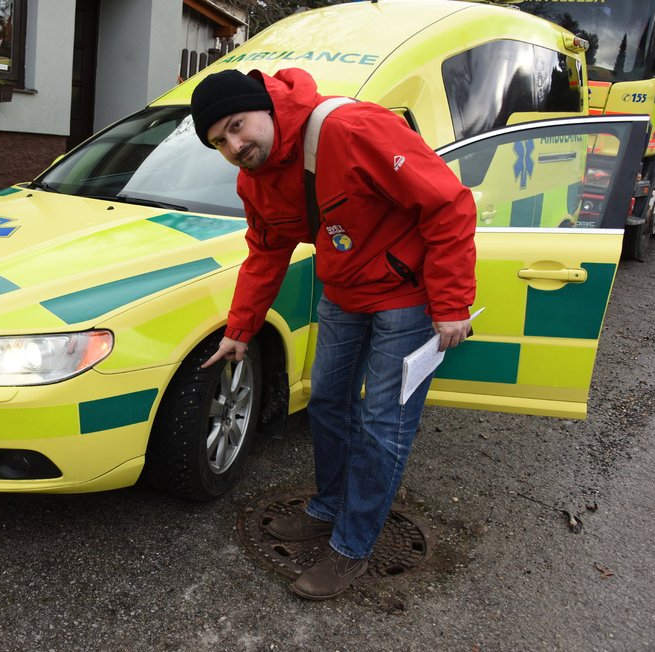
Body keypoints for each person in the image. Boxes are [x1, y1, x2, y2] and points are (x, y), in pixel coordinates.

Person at [191, 68, 476, 600]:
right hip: (344, 294)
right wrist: (240, 329)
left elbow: (449, 203)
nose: (234, 145)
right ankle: (328, 507)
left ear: (265, 107)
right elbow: (266, 250)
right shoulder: (252, 178)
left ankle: (353, 544)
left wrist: (453, 302)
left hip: (407, 298)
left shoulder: (352, 129)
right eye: (219, 142)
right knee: (325, 402)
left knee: (380, 424)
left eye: (237, 125)